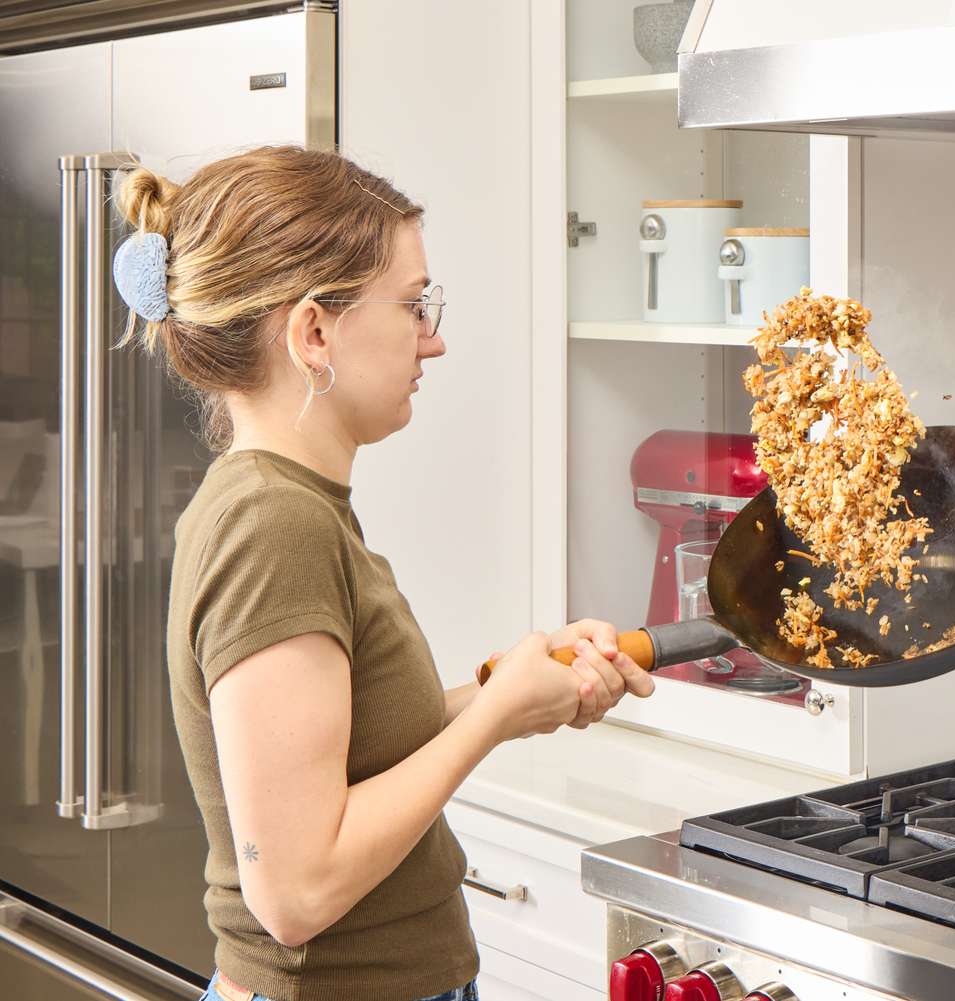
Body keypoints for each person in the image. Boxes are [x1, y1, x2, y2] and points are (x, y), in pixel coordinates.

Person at [110, 144, 654, 1001]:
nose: (433, 340)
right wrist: (496, 717)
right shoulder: (273, 524)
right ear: (313, 333)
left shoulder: (288, 503)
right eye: (412, 305)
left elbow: (348, 751)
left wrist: (520, 686)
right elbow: (295, 893)